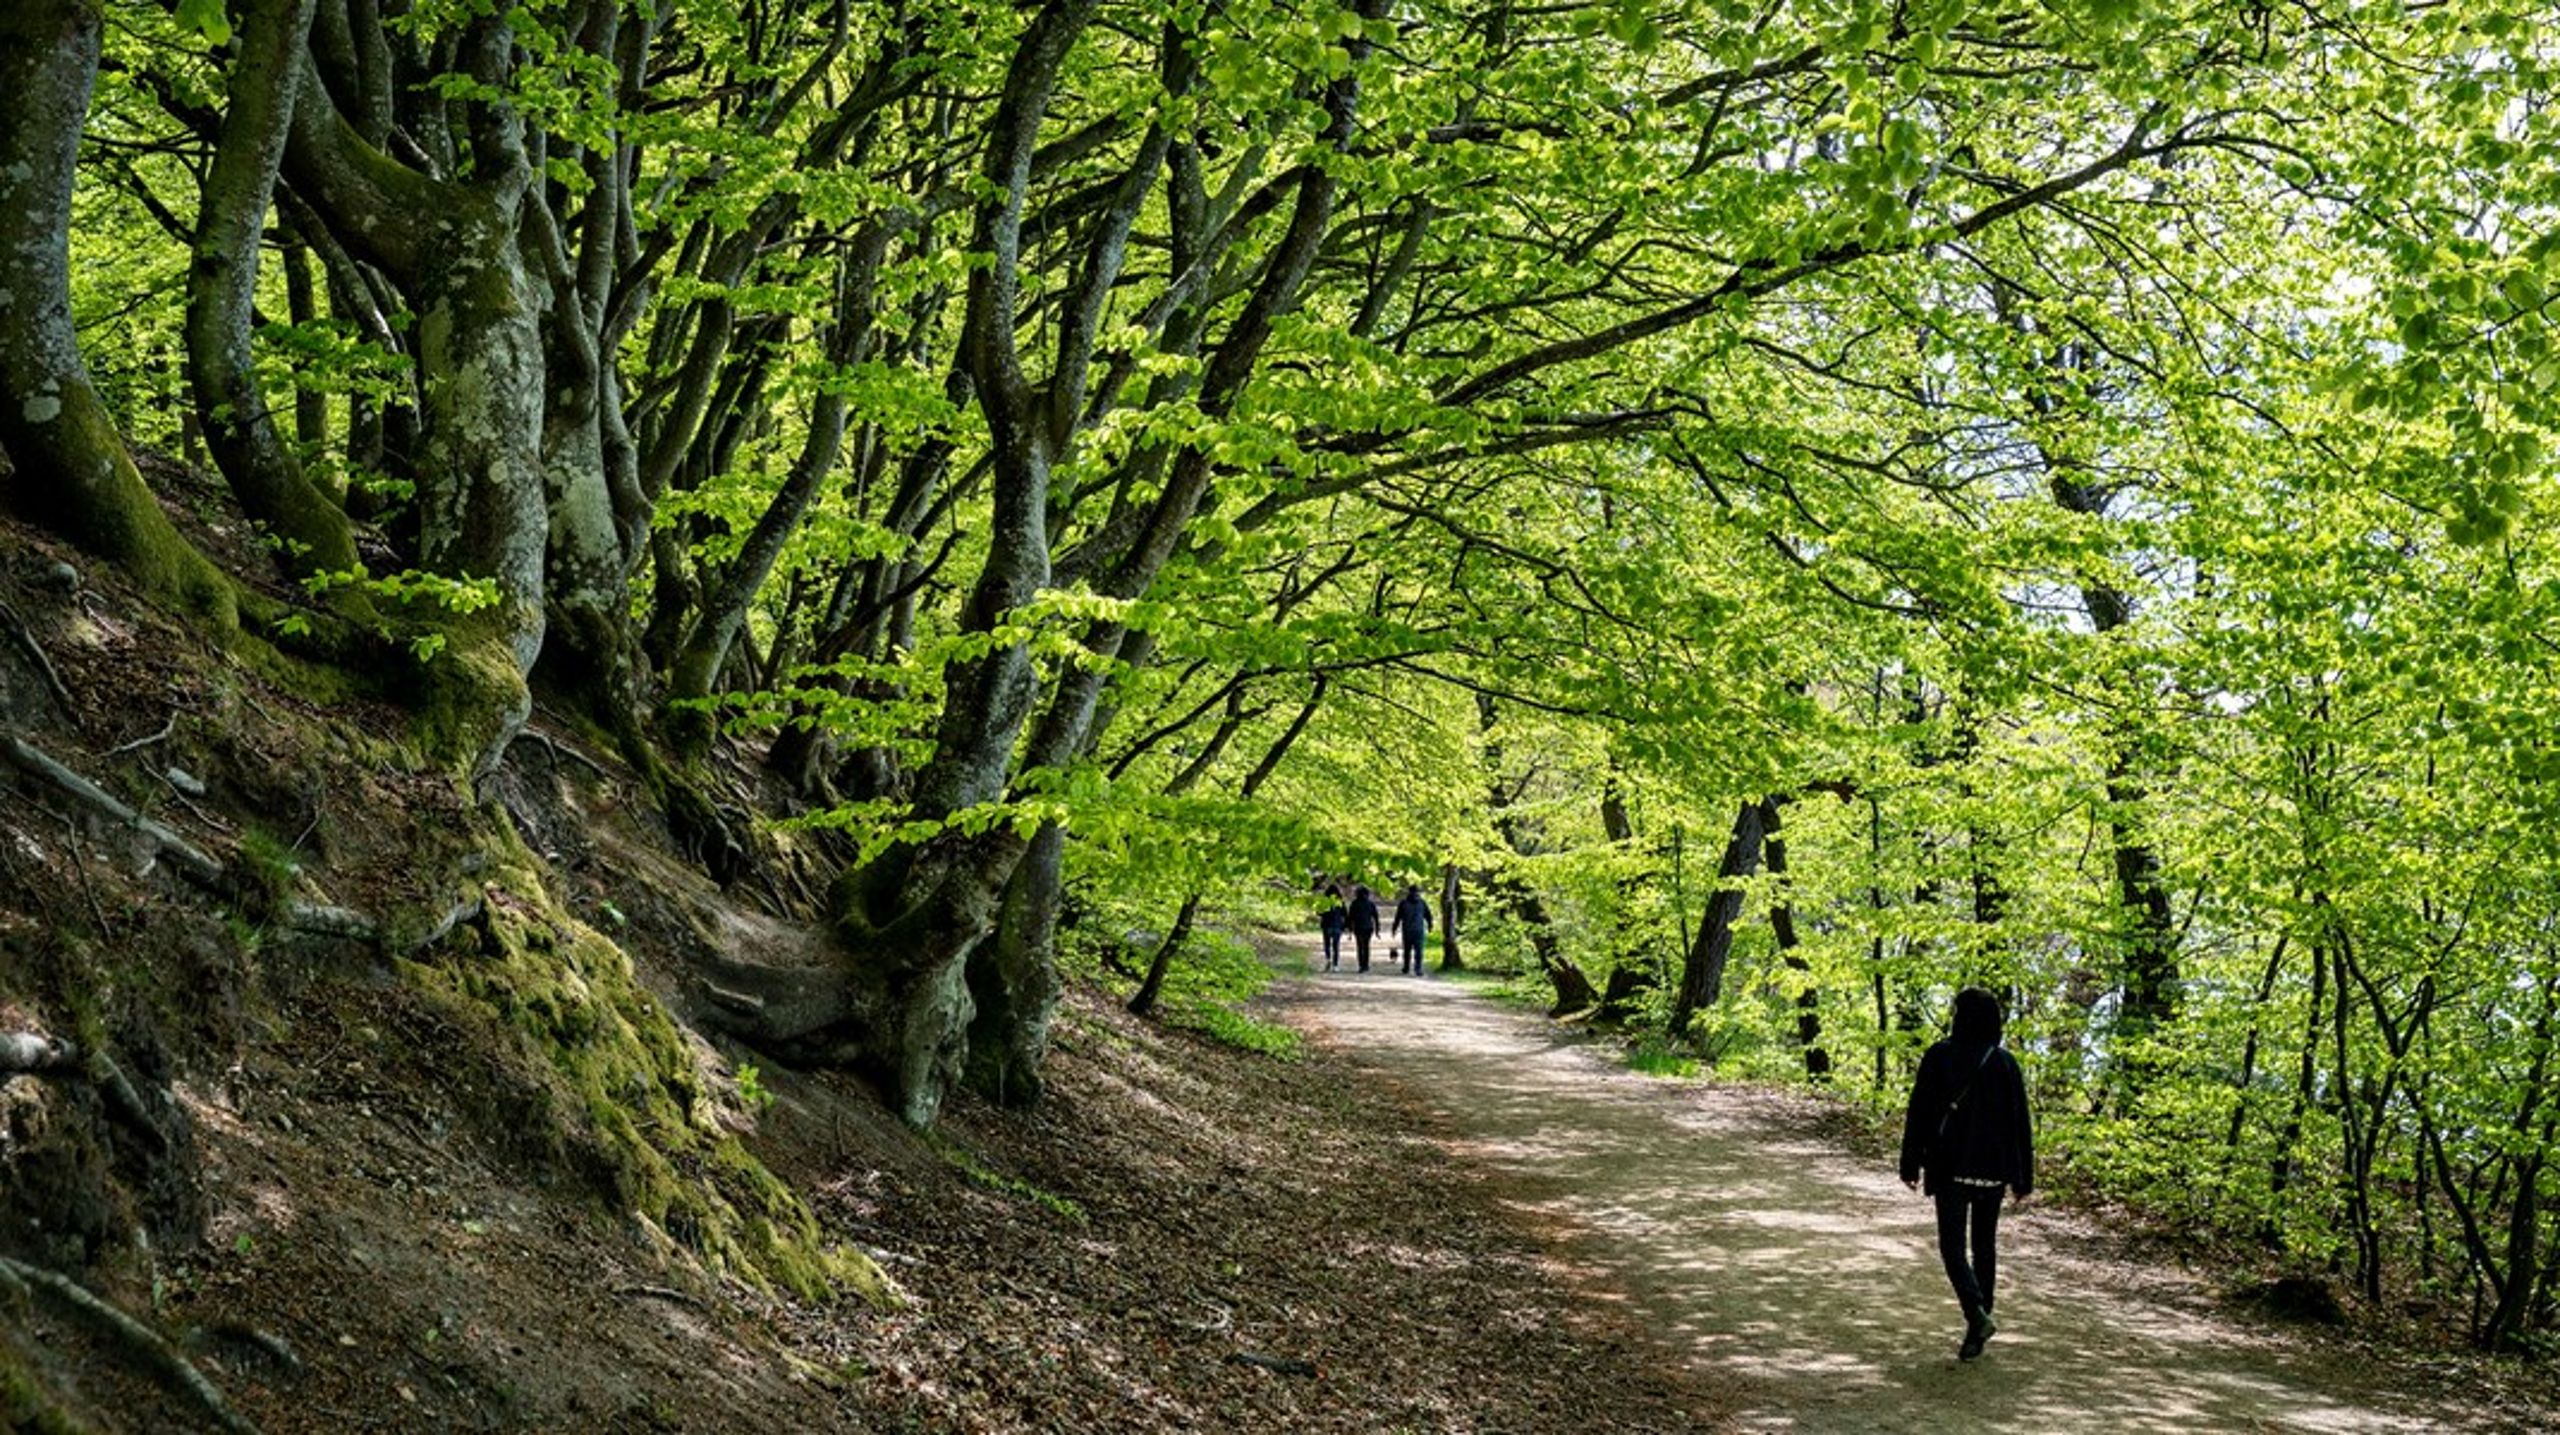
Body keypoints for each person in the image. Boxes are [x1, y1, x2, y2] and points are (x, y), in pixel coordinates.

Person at [1898, 986, 2033, 1362]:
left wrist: (1909, 1163)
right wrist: (2023, 1178)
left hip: (1950, 1169)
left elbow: (1920, 1113)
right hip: (1993, 1174)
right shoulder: (2005, 1063)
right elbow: (2021, 1125)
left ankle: (1975, 1314)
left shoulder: (1939, 1056)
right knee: (1984, 1249)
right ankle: (1977, 1328)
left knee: (1952, 1248)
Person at [1391, 884, 1432, 975]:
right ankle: (1418, 969)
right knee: (1419, 951)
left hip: (1407, 930)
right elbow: (1428, 916)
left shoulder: (1404, 903)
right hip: (1418, 930)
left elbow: (1398, 917)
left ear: (1409, 892)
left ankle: (1406, 967)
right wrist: (1430, 926)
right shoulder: (1422, 903)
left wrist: (1394, 928)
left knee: (1407, 950)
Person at [1345, 885, 1380, 973]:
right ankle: (1366, 965)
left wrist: (1350, 930)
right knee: (1366, 946)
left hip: (1358, 927)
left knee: (1360, 946)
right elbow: (1376, 917)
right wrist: (1377, 930)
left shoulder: (1354, 903)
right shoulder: (1371, 904)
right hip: (1368, 927)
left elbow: (1350, 918)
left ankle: (1361, 965)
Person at [1318, 885, 1348, 971]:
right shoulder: (1340, 901)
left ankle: (1328, 959)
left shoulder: (1324, 901)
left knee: (1327, 944)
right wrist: (1346, 925)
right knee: (1336, 946)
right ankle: (1335, 965)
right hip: (1337, 925)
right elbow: (1345, 914)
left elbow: (1319, 912)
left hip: (1326, 925)